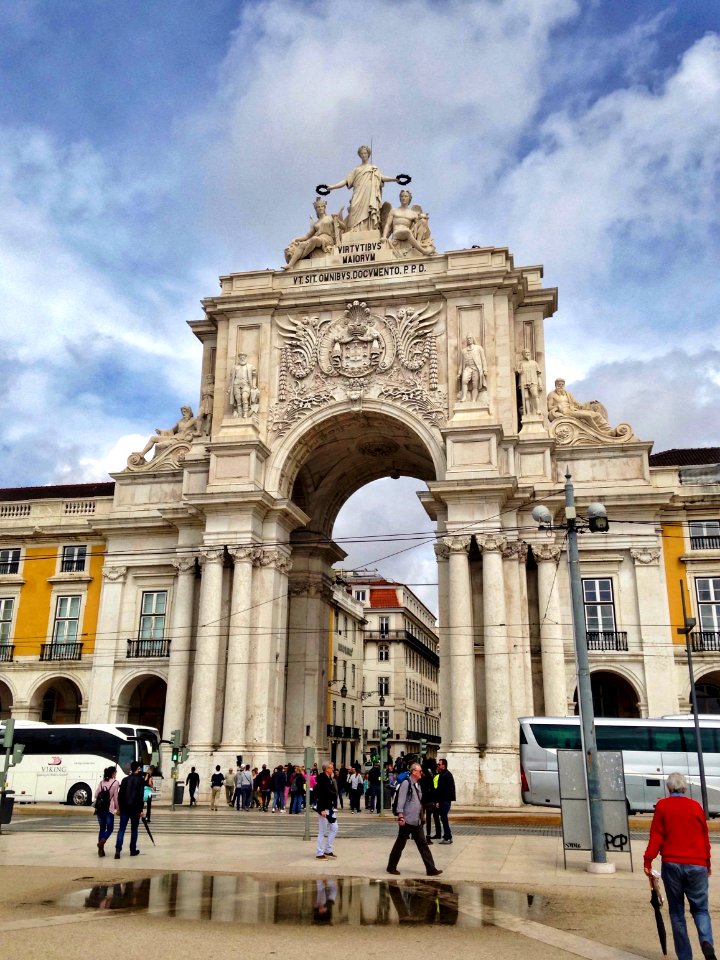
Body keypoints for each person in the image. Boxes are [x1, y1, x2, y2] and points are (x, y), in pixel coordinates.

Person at [644, 772, 716, 960]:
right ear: (685, 788)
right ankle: (706, 942)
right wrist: (707, 863)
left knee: (677, 913)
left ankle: (685, 957)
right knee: (701, 909)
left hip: (672, 864)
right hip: (697, 864)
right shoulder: (695, 807)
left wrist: (648, 860)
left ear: (668, 788)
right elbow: (704, 839)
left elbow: (657, 836)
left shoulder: (663, 806)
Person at [323, 145, 400, 233]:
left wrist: (394, 179)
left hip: (369, 193)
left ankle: (369, 229)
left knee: (369, 210)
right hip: (358, 193)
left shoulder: (373, 168)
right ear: (359, 155)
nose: (363, 155)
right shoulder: (356, 169)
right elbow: (346, 181)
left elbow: (381, 177)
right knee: (353, 208)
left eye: (365, 153)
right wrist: (333, 186)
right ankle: (353, 230)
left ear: (368, 154)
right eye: (361, 153)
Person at [386, 762, 442, 877]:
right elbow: (401, 801)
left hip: (416, 821)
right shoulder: (406, 783)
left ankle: (431, 869)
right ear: (414, 772)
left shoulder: (417, 784)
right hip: (406, 821)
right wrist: (400, 816)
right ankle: (391, 867)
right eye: (420, 771)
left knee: (423, 844)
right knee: (400, 844)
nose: (422, 773)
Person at [284, 197, 342, 270]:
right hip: (319, 238)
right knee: (302, 244)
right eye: (318, 207)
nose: (320, 208)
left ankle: (300, 257)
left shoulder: (330, 217)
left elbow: (343, 226)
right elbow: (306, 236)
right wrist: (296, 239)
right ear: (316, 210)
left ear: (324, 208)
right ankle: (290, 264)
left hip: (327, 239)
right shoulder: (316, 223)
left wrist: (337, 221)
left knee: (314, 239)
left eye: (322, 206)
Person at [547, 378, 614, 432]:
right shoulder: (551, 394)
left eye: (562, 385)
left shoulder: (568, 394)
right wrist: (557, 406)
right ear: (556, 385)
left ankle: (607, 429)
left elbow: (578, 405)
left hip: (572, 411)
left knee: (597, 415)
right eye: (559, 385)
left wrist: (589, 403)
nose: (561, 386)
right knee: (588, 416)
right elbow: (549, 407)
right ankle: (599, 432)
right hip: (565, 413)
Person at [382, 189, 435, 255]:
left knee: (423, 221)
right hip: (397, 233)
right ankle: (424, 251)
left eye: (406, 196)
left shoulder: (413, 213)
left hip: (409, 234)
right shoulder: (394, 211)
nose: (404, 198)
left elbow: (419, 226)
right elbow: (387, 225)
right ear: (400, 198)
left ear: (409, 198)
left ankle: (418, 242)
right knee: (407, 232)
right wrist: (384, 237)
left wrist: (423, 218)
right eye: (402, 196)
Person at [114, 760, 144, 859]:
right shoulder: (140, 780)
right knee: (134, 829)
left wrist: (120, 808)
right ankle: (132, 849)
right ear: (138, 769)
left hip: (125, 808)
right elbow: (140, 796)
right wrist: (140, 810)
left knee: (121, 829)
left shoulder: (125, 780)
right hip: (135, 809)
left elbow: (120, 795)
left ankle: (118, 850)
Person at [314, 760, 339, 861]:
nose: (333, 769)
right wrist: (321, 810)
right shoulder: (322, 780)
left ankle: (328, 849)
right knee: (322, 831)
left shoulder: (329, 779)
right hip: (324, 808)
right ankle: (319, 853)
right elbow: (321, 795)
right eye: (331, 767)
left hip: (330, 807)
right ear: (327, 769)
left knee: (335, 827)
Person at [94, 765, 120, 858]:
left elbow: (96, 795)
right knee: (110, 828)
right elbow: (116, 797)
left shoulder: (101, 783)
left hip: (100, 809)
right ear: (113, 773)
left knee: (102, 828)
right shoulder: (116, 783)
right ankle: (102, 842)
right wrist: (118, 808)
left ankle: (101, 850)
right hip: (109, 809)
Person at [228, 354, 258, 419]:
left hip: (246, 385)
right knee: (238, 400)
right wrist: (230, 387)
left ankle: (245, 414)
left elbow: (254, 377)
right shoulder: (235, 367)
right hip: (236, 385)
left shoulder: (250, 366)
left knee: (244, 397)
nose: (242, 359)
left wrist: (254, 385)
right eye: (241, 357)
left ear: (245, 358)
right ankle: (239, 415)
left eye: (243, 357)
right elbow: (231, 379)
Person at [516, 349, 542, 417]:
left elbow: (538, 375)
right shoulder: (520, 363)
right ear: (523, 354)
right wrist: (518, 371)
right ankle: (528, 412)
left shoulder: (534, 363)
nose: (527, 354)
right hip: (523, 382)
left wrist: (540, 384)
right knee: (526, 397)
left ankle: (538, 410)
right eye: (525, 353)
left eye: (528, 352)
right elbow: (516, 371)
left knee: (535, 395)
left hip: (533, 381)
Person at [420, 759, 441, 843]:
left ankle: (419, 835)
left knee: (421, 818)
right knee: (428, 819)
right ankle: (428, 836)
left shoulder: (421, 776)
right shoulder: (431, 776)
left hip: (422, 800)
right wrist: (435, 800)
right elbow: (433, 789)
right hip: (429, 800)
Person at [436, 758, 456, 843]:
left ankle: (448, 837)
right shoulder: (446, 774)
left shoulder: (444, 775)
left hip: (444, 801)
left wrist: (438, 801)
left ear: (443, 765)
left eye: (439, 764)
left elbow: (441, 790)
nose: (438, 766)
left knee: (444, 819)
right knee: (443, 819)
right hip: (446, 800)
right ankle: (446, 835)